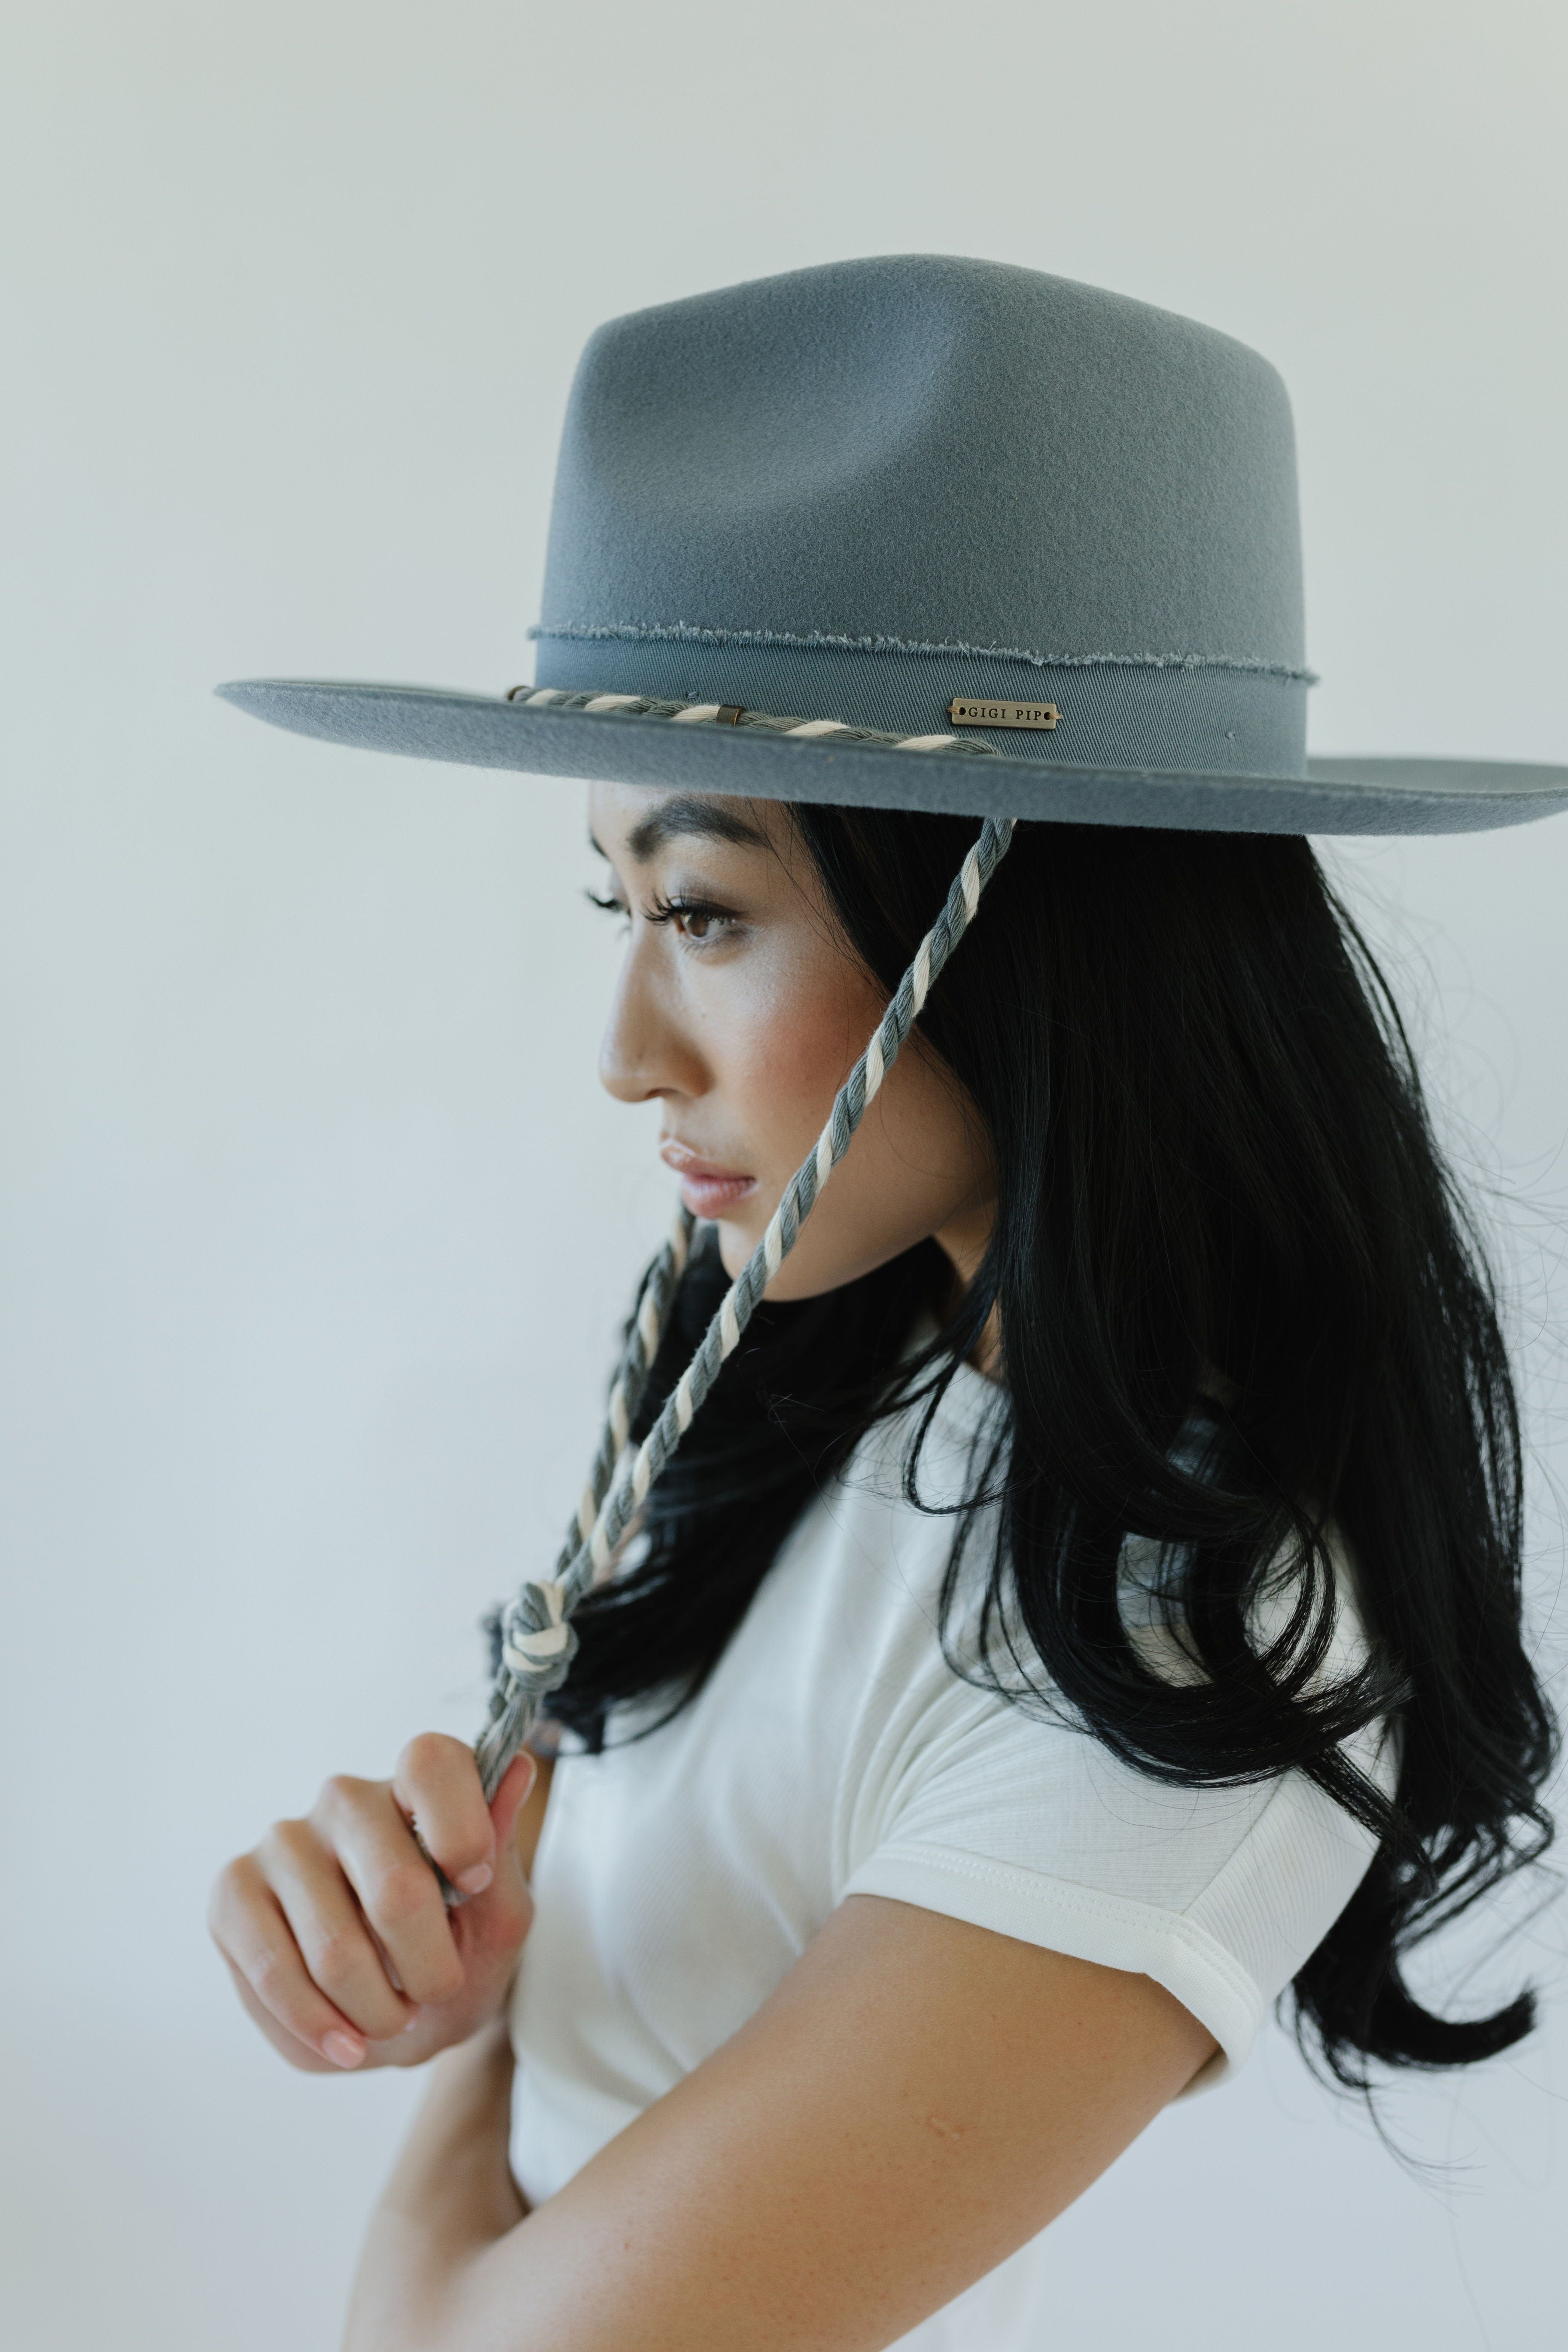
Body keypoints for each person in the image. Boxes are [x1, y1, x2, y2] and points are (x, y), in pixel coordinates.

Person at [209, 257, 1564, 2350]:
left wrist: (439, 2190)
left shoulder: (1184, 1637)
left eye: (707, 908)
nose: (626, 1046)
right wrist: (484, 1986)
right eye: (621, 904)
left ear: (1028, 919)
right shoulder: (831, 1364)